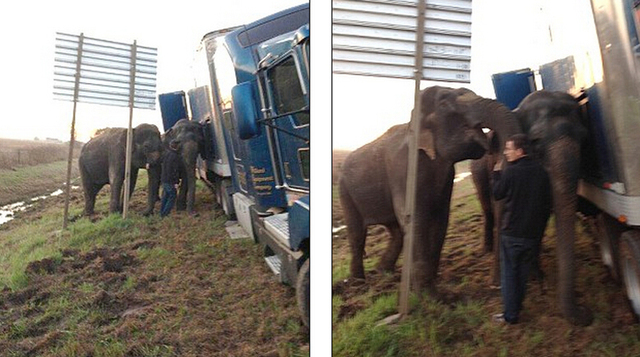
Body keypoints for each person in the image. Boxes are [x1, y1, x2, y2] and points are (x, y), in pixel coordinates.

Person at [492, 134, 551, 324]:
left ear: (520, 151)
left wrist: (496, 173)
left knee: (509, 276)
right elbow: (546, 205)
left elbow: (497, 194)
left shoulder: (510, 172)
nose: (505, 152)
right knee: (523, 275)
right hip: (532, 235)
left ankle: (510, 316)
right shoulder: (542, 172)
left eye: (509, 149)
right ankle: (516, 308)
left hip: (511, 234)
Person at [160, 141, 182, 218]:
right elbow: (175, 170)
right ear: (177, 146)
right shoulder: (175, 156)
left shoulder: (166, 154)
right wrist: (176, 182)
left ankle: (162, 213)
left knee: (165, 196)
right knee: (172, 196)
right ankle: (165, 214)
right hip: (170, 181)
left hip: (164, 179)